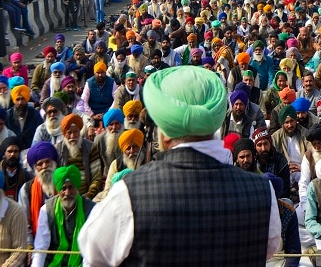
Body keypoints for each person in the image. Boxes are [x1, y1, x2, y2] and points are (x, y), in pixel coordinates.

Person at [77, 66, 281, 265]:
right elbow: (270, 249)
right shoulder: (263, 191)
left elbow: (94, 253)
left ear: (164, 136)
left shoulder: (129, 193)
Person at [31, 165, 94, 267]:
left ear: (77, 187)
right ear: (58, 189)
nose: (67, 193)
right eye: (63, 188)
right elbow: (41, 248)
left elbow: (91, 249)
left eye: (71, 187)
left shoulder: (91, 209)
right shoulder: (46, 210)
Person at [19, 141, 59, 238]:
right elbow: (24, 223)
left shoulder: (64, 184)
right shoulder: (26, 189)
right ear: (35, 168)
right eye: (40, 164)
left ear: (53, 163)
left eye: (47, 162)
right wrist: (30, 245)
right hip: (38, 241)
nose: (44, 166)